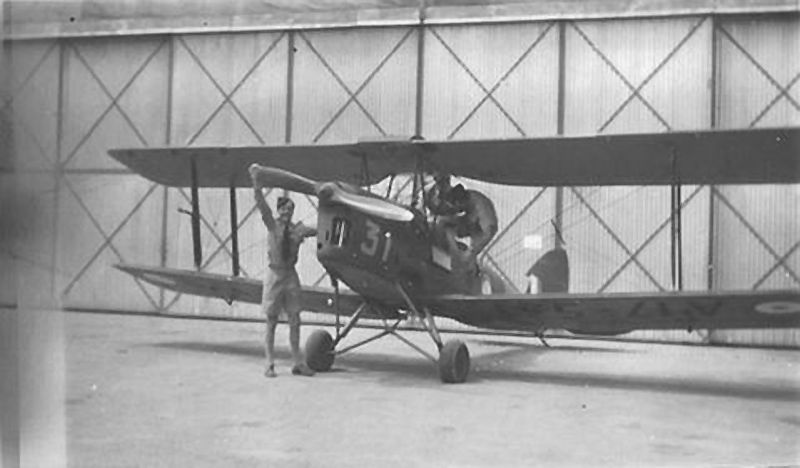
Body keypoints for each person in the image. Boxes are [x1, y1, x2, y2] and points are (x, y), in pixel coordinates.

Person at [250, 164, 317, 378]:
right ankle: (269, 363)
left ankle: (298, 362)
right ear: (279, 211)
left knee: (295, 319)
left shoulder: (298, 230)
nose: (287, 213)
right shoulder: (272, 225)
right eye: (284, 210)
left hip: (291, 275)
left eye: (290, 210)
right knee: (271, 321)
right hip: (274, 275)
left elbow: (319, 228)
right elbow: (262, 207)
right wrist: (257, 185)